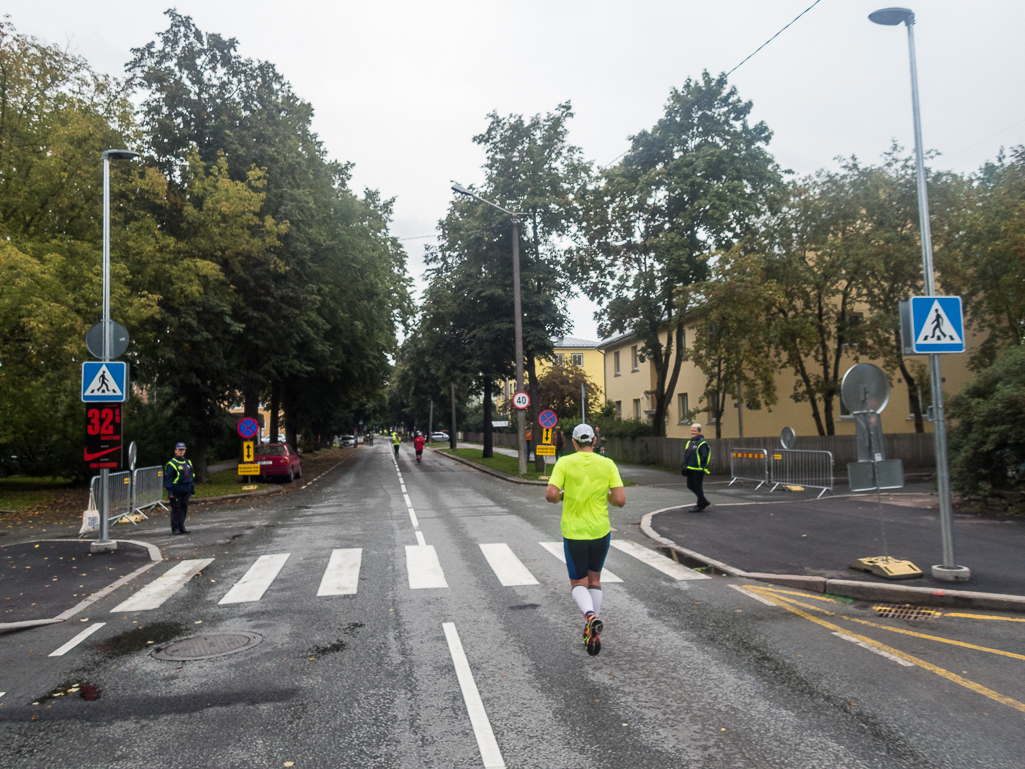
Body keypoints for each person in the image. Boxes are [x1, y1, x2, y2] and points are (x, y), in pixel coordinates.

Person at [545, 423, 626, 657]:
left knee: (578, 582)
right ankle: (593, 632)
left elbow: (550, 494)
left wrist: (562, 495)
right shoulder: (607, 463)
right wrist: (606, 496)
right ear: (594, 441)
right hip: (601, 531)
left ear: (573, 442)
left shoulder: (565, 462)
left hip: (575, 532)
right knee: (595, 579)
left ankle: (590, 617)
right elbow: (620, 500)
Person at [165, 442, 195, 535]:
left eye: (183, 450)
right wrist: (170, 492)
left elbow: (191, 476)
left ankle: (182, 526)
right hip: (176, 491)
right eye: (179, 450)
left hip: (186, 490)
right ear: (175, 451)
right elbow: (169, 479)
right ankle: (175, 528)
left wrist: (192, 489)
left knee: (183, 508)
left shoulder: (187, 462)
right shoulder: (172, 464)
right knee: (176, 509)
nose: (181, 452)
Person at [682, 423, 711, 512]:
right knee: (690, 485)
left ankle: (700, 505)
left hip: (698, 469)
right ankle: (703, 501)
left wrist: (698, 463)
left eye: (695, 431)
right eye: (692, 431)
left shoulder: (702, 443)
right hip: (690, 468)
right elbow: (687, 454)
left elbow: (704, 455)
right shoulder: (690, 442)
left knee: (698, 486)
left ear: (699, 431)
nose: (693, 432)